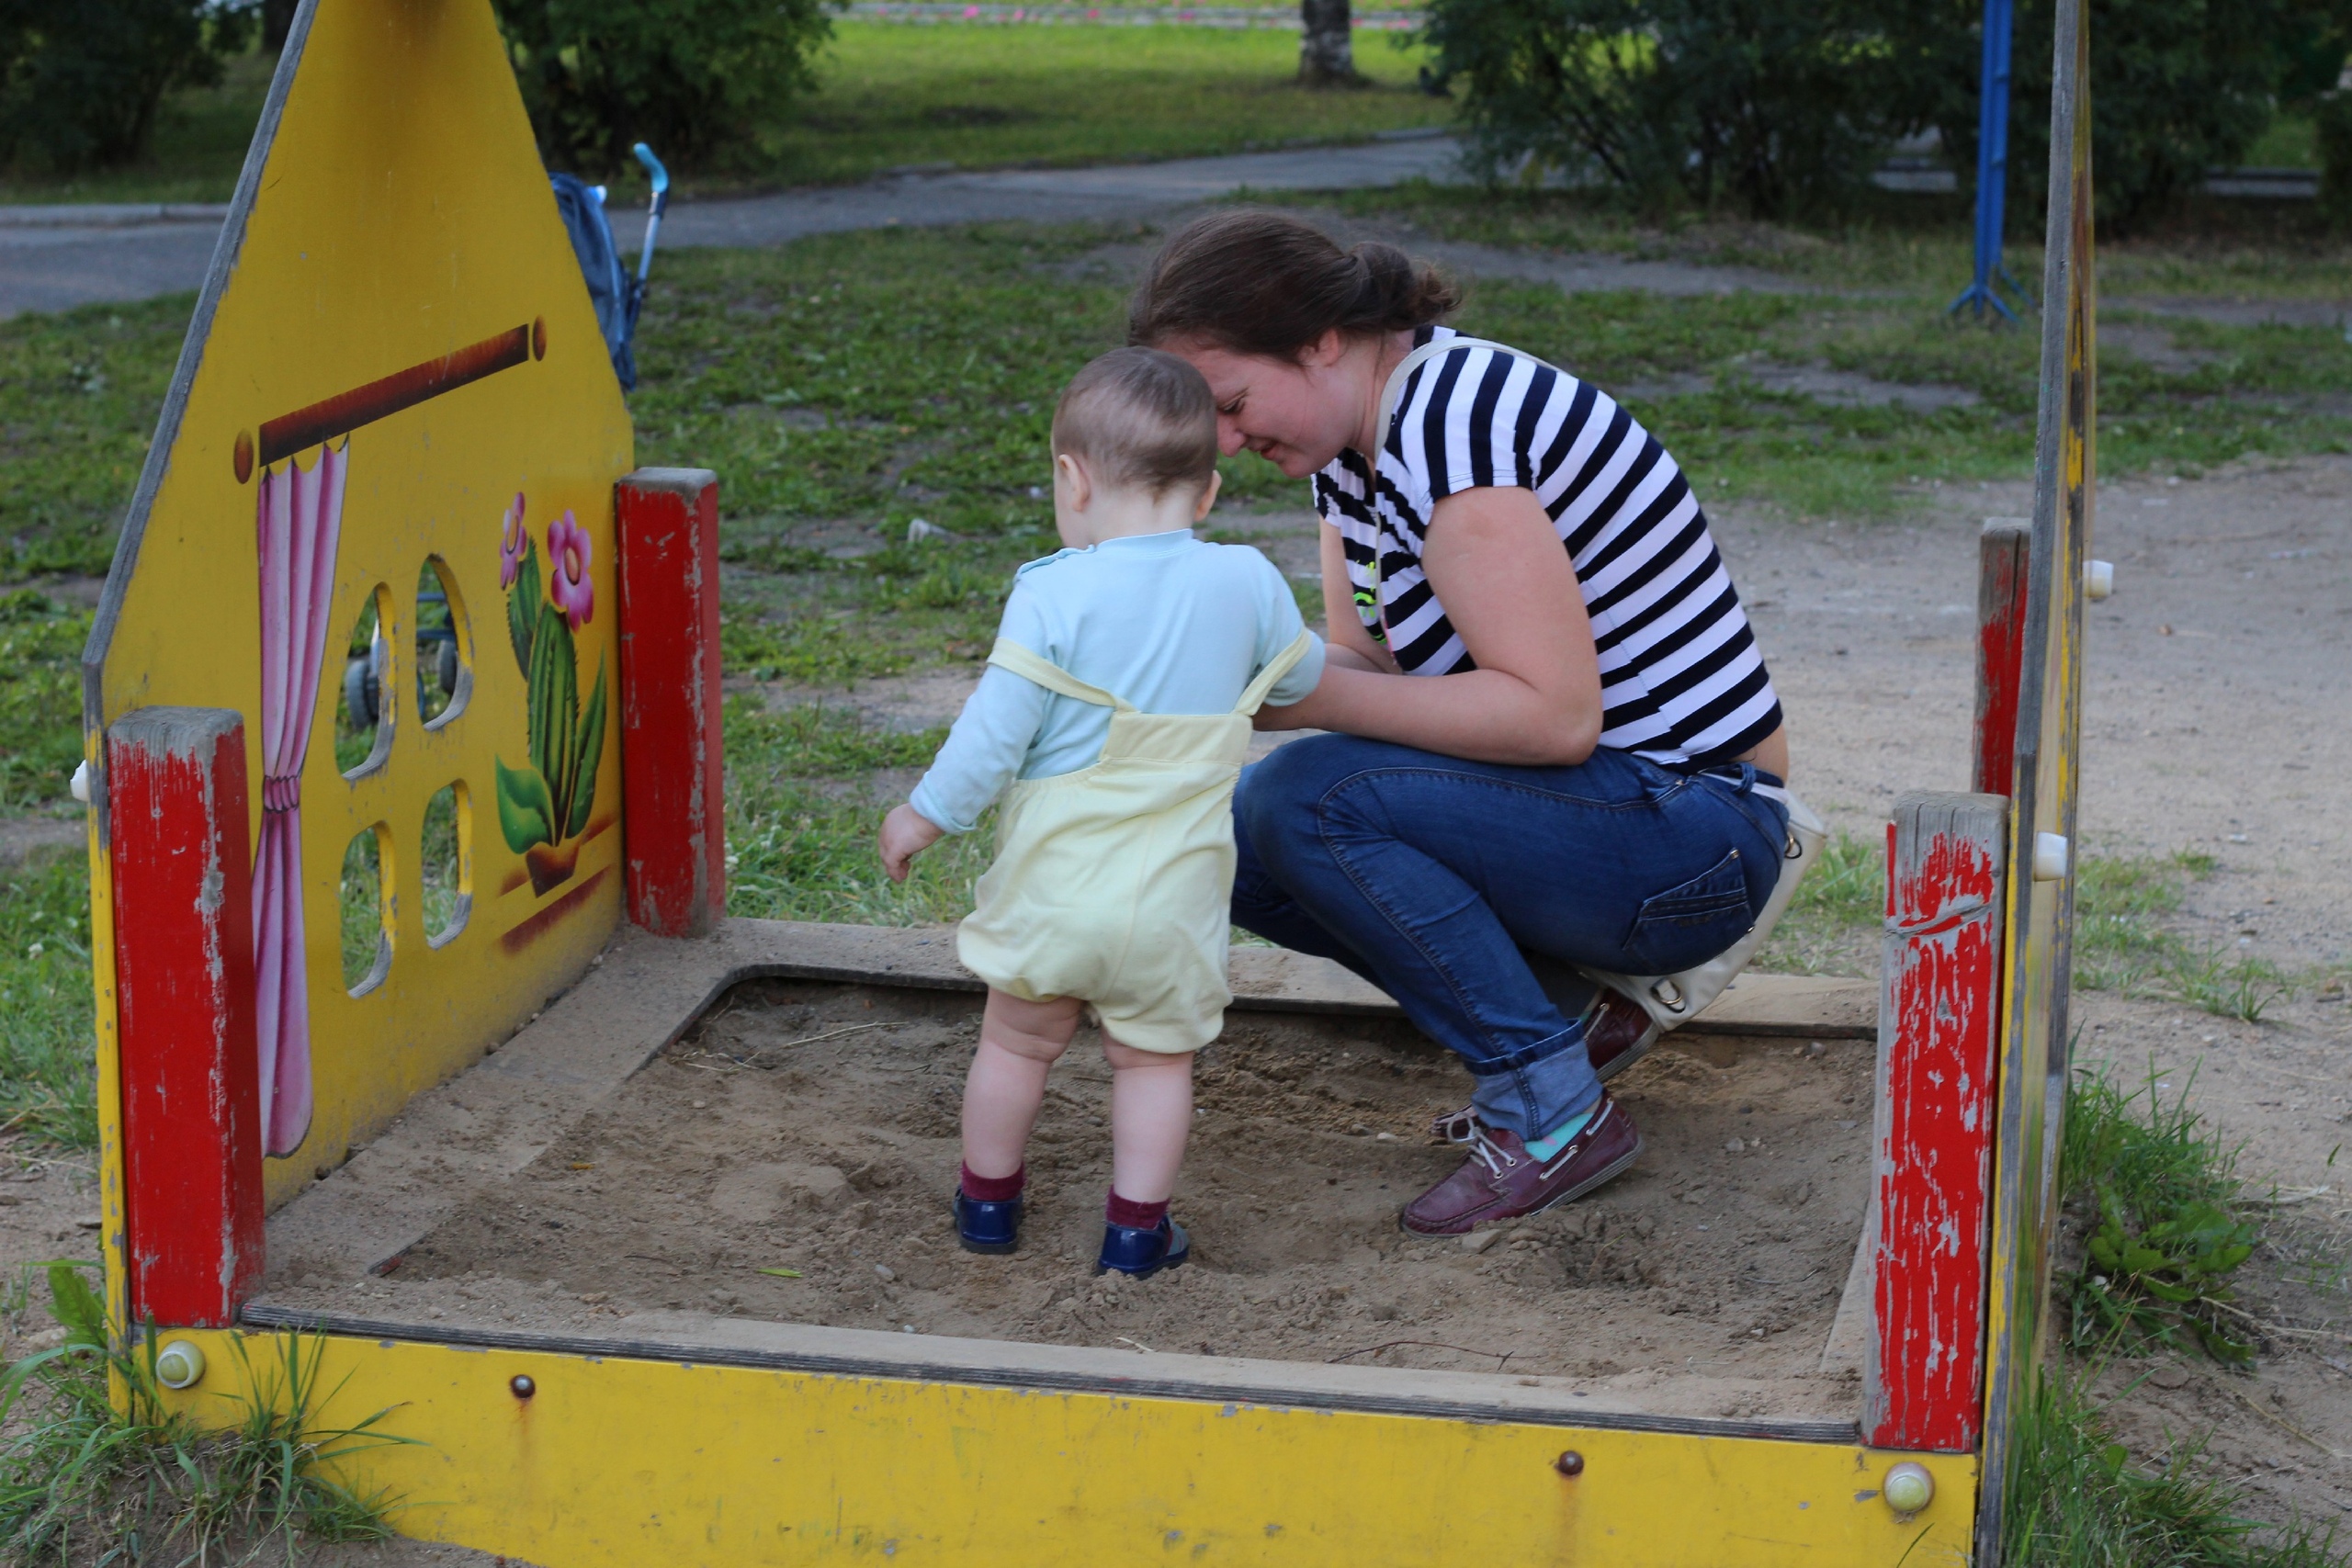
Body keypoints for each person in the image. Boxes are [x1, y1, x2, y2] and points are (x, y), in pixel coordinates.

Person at [1129, 210, 1793, 1236]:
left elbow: (1551, 718)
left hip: (1693, 830)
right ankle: (1565, 1021)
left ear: (1318, 339)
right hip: (1618, 817)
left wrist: (1288, 698)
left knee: (1303, 797)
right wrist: (1203, 675)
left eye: (1229, 401)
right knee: (1219, 830)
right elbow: (1381, 664)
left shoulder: (1452, 423)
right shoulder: (1351, 451)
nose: (1220, 440)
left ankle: (1550, 1111)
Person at [878, 346, 1323, 1278]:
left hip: (1055, 893)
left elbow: (993, 734)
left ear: (1070, 480)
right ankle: (1135, 1235)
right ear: (1205, 495)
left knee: (1014, 1042)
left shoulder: (1052, 592)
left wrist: (925, 815)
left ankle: (988, 1209)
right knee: (1154, 1065)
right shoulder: (1245, 580)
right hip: (1173, 905)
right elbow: (1307, 674)